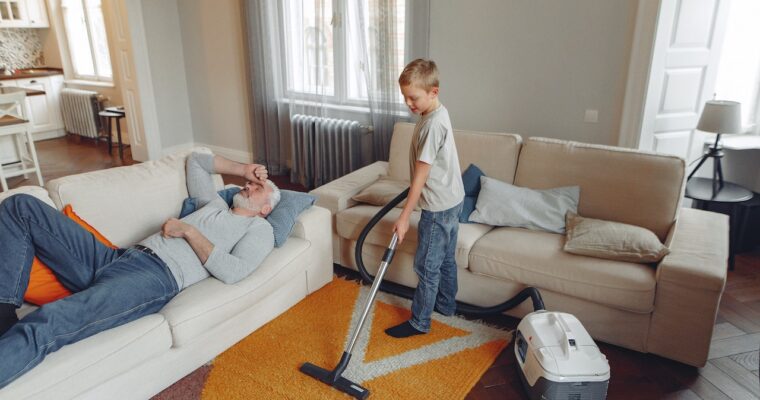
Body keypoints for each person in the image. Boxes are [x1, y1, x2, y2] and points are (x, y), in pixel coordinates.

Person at [0, 152, 280, 388]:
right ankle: (3, 311)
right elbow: (196, 160)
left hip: (153, 278)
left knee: (51, 319)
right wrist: (244, 168)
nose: (249, 186)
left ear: (265, 209)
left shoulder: (258, 228)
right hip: (116, 257)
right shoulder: (215, 203)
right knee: (20, 205)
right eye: (251, 182)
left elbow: (235, 271)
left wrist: (189, 231)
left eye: (258, 188)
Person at [385, 59, 465, 338]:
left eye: (414, 97)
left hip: (438, 206)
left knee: (427, 265)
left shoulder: (432, 126)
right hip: (454, 198)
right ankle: (446, 306)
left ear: (434, 91)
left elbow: (421, 174)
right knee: (445, 260)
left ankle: (420, 322)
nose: (409, 103)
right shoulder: (437, 114)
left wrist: (404, 217)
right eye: (405, 97)